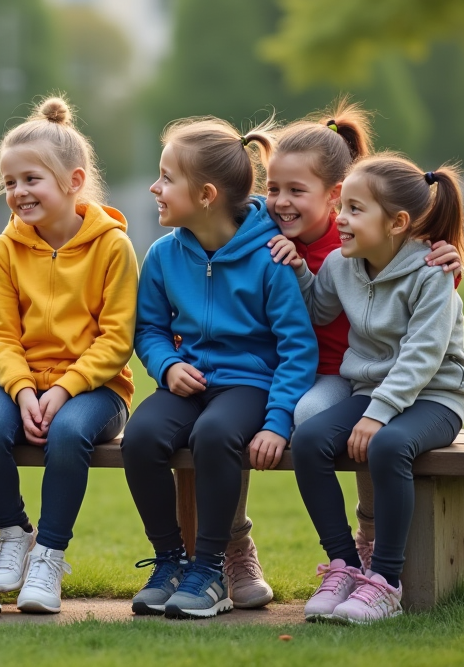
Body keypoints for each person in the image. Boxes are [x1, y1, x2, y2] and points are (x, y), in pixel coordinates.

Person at [122, 116, 318, 619]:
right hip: (188, 381)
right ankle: (169, 562)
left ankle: (210, 570)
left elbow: (297, 348)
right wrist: (166, 367)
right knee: (141, 436)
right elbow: (148, 330)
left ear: (206, 194)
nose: (154, 187)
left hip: (249, 385)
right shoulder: (165, 254)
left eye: (166, 178)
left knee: (213, 435)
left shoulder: (271, 257)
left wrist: (277, 422)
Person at [0, 98, 138, 614]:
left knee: (67, 433)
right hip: (25, 385)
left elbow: (116, 338)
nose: (18, 192)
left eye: (31, 179)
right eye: (10, 182)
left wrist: (63, 390)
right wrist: (21, 392)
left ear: (73, 180)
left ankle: (48, 555)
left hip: (97, 390)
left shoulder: (113, 247)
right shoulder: (5, 249)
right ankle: (15, 531)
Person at [289, 154, 464, 624]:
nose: (341, 220)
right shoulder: (340, 264)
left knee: (389, 446)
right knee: (309, 441)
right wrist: (296, 269)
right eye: (342, 208)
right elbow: (318, 309)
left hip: (436, 397)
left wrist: (379, 414)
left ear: (397, 222)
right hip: (370, 393)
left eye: (354, 209)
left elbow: (423, 355)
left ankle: (385, 582)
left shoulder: (432, 272)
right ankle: (345, 566)